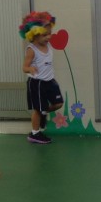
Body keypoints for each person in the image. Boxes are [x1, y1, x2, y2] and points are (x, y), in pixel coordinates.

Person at [20, 11, 64, 144]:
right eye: (44, 35)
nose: (48, 37)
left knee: (58, 103)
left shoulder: (48, 45)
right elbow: (24, 67)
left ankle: (44, 112)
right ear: (34, 35)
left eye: (49, 33)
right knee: (37, 109)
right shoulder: (31, 50)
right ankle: (35, 134)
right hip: (37, 83)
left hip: (50, 81)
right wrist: (30, 69)